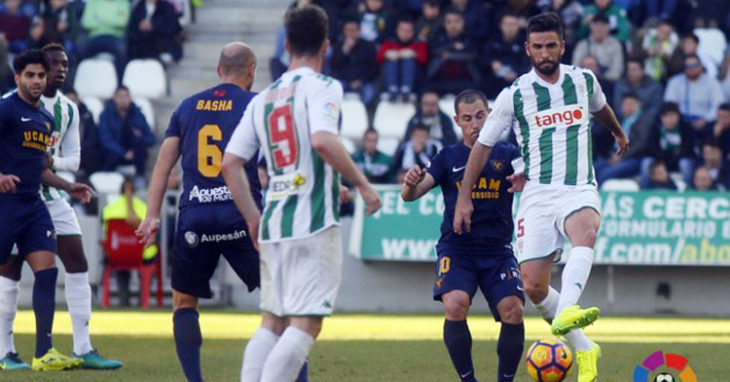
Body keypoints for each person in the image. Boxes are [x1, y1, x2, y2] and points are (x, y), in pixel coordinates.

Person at [453, 13, 630, 382]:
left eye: (552, 45)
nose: (545, 53)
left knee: (585, 229)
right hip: (536, 193)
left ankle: (567, 308)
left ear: (562, 46)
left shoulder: (583, 80)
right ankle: (585, 348)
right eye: (538, 47)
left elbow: (601, 108)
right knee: (533, 285)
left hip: (578, 185)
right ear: (527, 49)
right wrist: (464, 197)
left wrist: (618, 132)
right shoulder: (515, 95)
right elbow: (482, 147)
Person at [221, 5, 381, 382]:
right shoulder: (324, 86)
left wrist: (252, 218)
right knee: (306, 323)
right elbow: (322, 140)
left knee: (272, 321)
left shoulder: (263, 97)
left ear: (287, 43)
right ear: (327, 45)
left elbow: (230, 163)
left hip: (274, 222)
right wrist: (362, 183)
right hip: (312, 224)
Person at [135, 43, 269, 382]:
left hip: (196, 217)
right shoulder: (256, 104)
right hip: (243, 214)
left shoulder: (187, 106)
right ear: (251, 70)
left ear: (218, 69)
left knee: (184, 303)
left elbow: (163, 167)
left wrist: (151, 216)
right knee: (283, 302)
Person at [0, 43, 121, 371]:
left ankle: (64, 349)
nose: (56, 72)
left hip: (42, 200)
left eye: (61, 66)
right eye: (41, 70)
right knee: (8, 271)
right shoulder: (9, 107)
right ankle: (5, 349)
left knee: (63, 265)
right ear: (22, 76)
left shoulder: (58, 112)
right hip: (8, 202)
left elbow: (54, 163)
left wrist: (67, 181)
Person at [401, 90, 525, 382]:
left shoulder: (507, 154)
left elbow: (528, 174)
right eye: (467, 118)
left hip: (498, 250)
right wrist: (409, 185)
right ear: (457, 121)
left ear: (491, 114)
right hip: (458, 249)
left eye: (481, 116)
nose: (475, 124)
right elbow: (413, 194)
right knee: (455, 303)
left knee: (513, 309)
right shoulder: (448, 157)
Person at [103, 177, 158, 306]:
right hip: (142, 255)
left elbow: (106, 235)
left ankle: (124, 300)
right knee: (152, 254)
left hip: (117, 254)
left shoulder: (109, 210)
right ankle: (143, 299)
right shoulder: (144, 208)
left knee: (121, 260)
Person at [97, 86, 157, 180]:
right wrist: (123, 153)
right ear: (114, 98)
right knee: (108, 151)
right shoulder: (106, 116)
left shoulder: (138, 115)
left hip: (134, 154)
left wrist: (139, 137)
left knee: (139, 141)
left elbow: (151, 138)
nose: (123, 100)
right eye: (120, 97)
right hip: (113, 154)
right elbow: (105, 140)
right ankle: (108, 178)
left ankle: (140, 177)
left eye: (126, 96)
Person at [594, 93, 654, 184]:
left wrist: (622, 156)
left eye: (631, 104)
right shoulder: (620, 119)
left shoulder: (645, 120)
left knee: (605, 174)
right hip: (614, 155)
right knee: (594, 169)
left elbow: (641, 144)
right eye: (625, 104)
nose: (628, 107)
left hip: (634, 158)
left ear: (639, 105)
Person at [664, 54, 726, 135]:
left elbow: (719, 105)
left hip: (706, 122)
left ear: (701, 66)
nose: (691, 69)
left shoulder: (712, 83)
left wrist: (706, 119)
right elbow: (669, 104)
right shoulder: (675, 82)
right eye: (688, 66)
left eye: (694, 65)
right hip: (681, 121)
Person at [377, 16, 427, 102]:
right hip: (391, 79)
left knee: (409, 61)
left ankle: (406, 90)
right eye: (402, 30)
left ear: (413, 32)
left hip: (413, 81)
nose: (405, 33)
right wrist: (387, 54)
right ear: (397, 30)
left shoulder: (418, 42)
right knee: (391, 61)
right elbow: (379, 57)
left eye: (408, 31)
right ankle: (392, 90)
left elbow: (424, 59)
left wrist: (413, 54)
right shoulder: (390, 42)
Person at [330, 18, 378, 106]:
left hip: (363, 81)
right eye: (347, 30)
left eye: (353, 30)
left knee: (369, 94)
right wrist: (345, 50)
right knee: (336, 90)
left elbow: (373, 68)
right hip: (344, 81)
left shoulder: (368, 46)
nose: (350, 33)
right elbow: (334, 67)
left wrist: (361, 80)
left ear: (359, 31)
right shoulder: (338, 45)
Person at [127, 0, 183, 64]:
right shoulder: (139, 7)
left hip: (161, 45)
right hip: (140, 47)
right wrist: (140, 26)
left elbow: (173, 27)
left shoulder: (166, 7)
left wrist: (153, 25)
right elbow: (132, 27)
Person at [571, 15, 624, 83]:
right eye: (596, 25)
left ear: (608, 28)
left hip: (607, 82)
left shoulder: (615, 44)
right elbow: (575, 67)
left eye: (603, 25)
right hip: (585, 81)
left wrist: (601, 79)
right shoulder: (582, 45)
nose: (599, 28)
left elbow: (617, 70)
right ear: (591, 27)